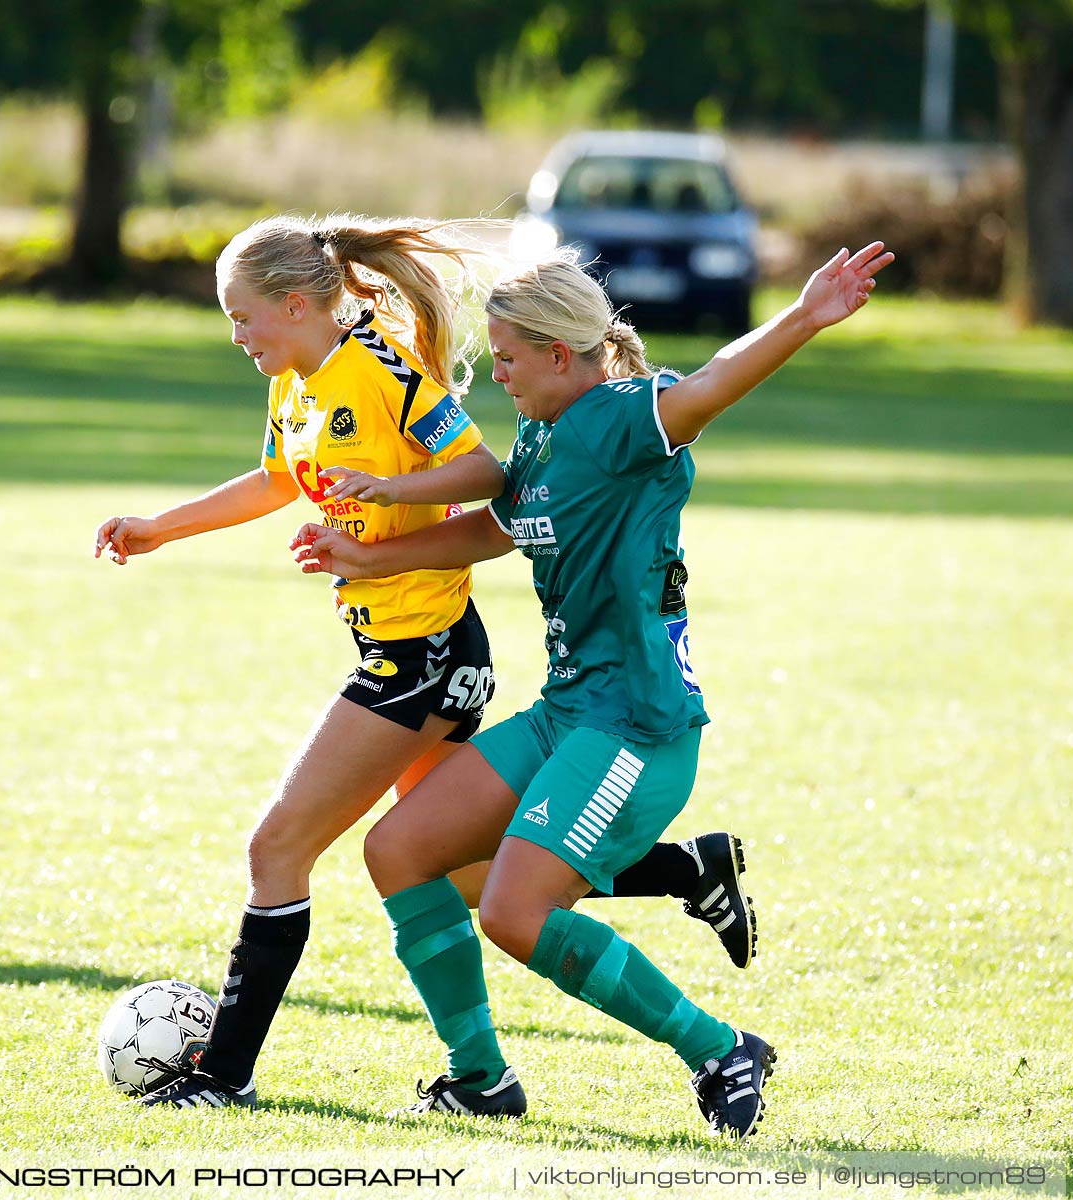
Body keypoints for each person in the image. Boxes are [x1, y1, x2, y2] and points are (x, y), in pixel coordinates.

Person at [91, 214, 757, 1111]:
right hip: (414, 652)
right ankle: (533, 1027)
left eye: (242, 318)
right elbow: (278, 480)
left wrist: (388, 505)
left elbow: (484, 474)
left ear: (296, 304)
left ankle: (224, 1073)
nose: (237, 336)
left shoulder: (384, 372)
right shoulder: (296, 389)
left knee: (282, 846)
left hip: (429, 658)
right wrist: (159, 527)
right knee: (444, 863)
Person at [291, 241, 895, 1136]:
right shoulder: (540, 433)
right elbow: (494, 531)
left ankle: (719, 1046)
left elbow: (716, 382)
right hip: (568, 713)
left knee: (514, 910)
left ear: (560, 356)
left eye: (505, 358)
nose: (494, 375)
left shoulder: (617, 418)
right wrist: (365, 553)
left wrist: (805, 314)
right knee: (401, 852)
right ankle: (480, 1078)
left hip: (637, 730)